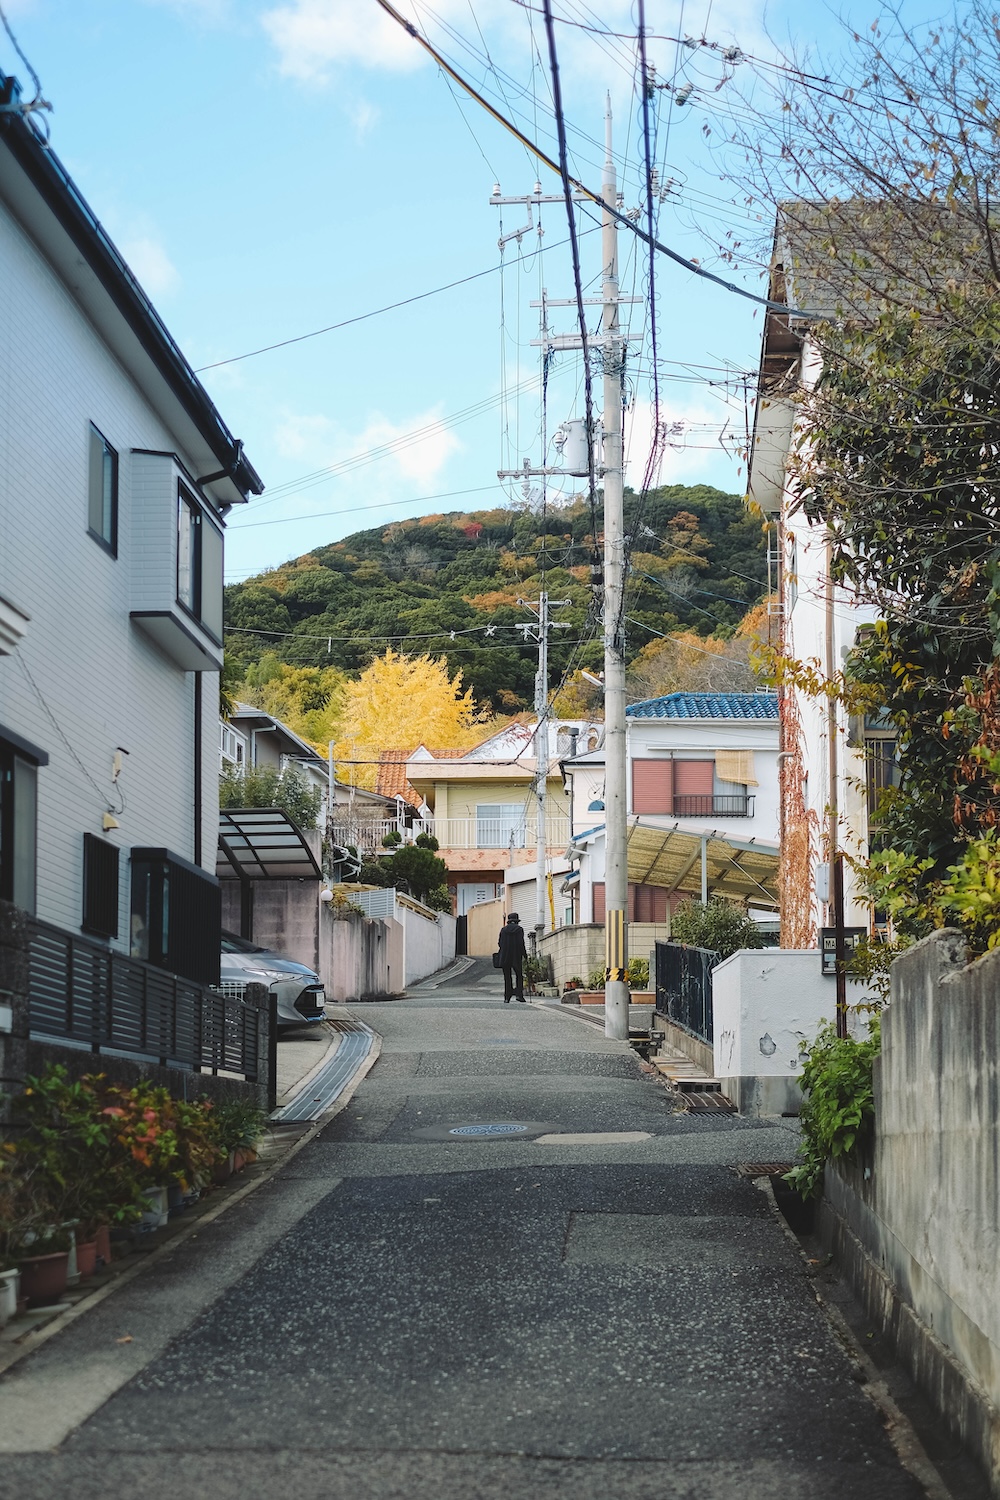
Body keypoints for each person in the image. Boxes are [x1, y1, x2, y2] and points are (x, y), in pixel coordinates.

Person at [497, 911, 527, 1003]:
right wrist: (525, 955)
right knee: (519, 975)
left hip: (505, 956)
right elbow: (521, 943)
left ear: (509, 921)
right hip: (516, 956)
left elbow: (500, 943)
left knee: (507, 977)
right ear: (517, 921)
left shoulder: (503, 930)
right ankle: (519, 995)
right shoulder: (519, 930)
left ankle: (507, 997)